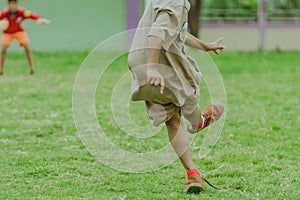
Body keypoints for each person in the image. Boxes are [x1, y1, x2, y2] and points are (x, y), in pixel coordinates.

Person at [128, 0, 225, 194]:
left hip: (139, 64)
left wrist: (203, 45)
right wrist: (153, 68)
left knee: (172, 120)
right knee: (189, 99)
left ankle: (193, 175)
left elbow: (176, 32)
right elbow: (157, 33)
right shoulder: (176, 1)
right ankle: (200, 122)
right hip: (160, 66)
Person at [0, 0, 50, 76]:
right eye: (11, 4)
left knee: (27, 47)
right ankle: (1, 70)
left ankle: (31, 68)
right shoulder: (4, 13)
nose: (13, 6)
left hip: (19, 31)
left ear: (17, 4)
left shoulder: (22, 12)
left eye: (15, 3)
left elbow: (31, 15)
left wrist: (39, 19)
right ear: (8, 5)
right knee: (3, 49)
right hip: (7, 33)